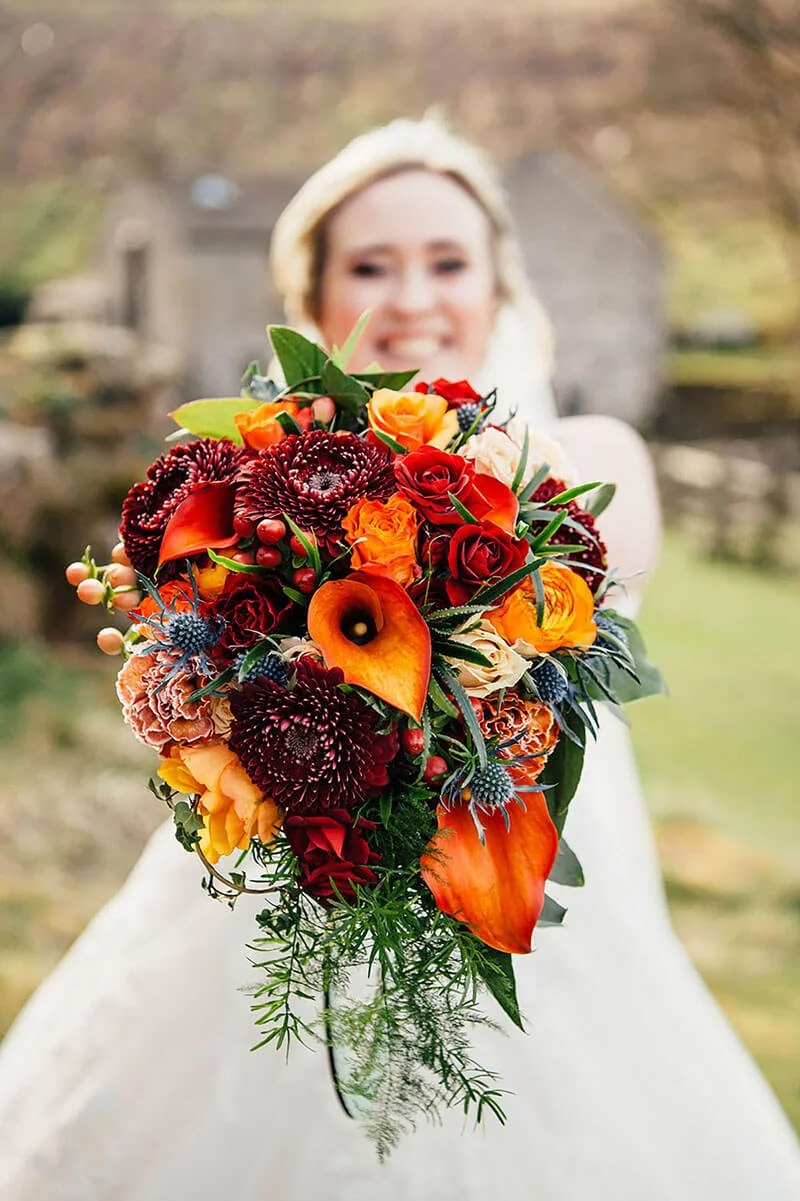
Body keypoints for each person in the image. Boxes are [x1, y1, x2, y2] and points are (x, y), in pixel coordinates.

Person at [0, 117, 798, 1201]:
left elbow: (605, 549)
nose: (415, 295)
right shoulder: (252, 493)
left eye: (447, 262)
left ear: (500, 287)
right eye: (372, 265)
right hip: (289, 897)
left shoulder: (596, 455)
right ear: (314, 300)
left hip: (534, 900)